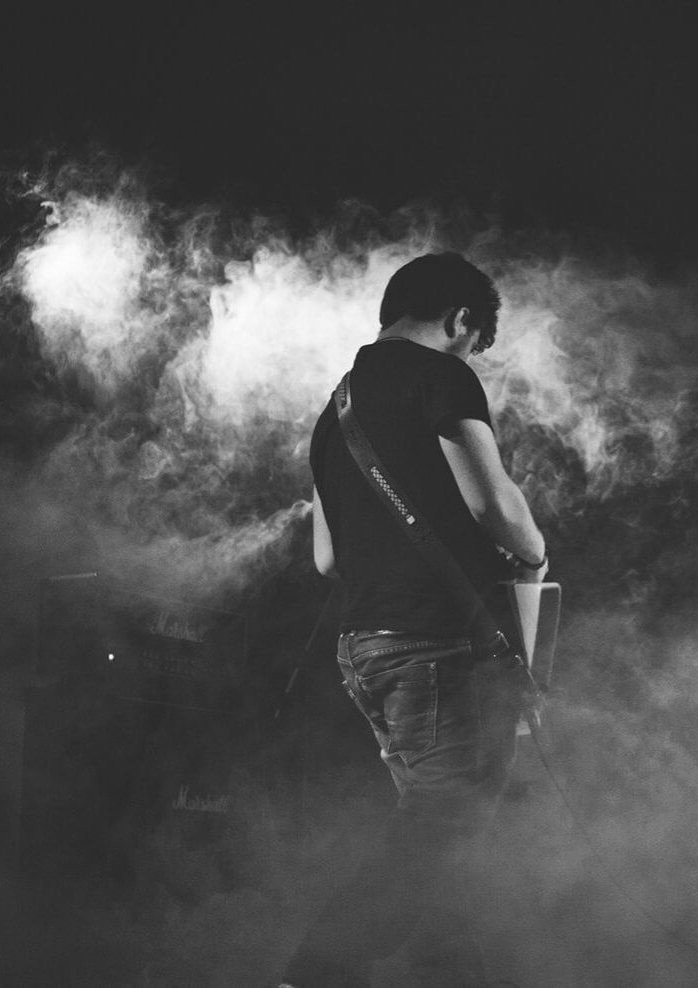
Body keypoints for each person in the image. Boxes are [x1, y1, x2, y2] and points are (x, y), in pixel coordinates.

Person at [282, 252, 549, 987]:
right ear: (461, 319)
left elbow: (329, 561)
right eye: (476, 342)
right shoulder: (441, 374)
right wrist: (535, 550)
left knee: (446, 849)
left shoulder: (332, 412)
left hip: (367, 650)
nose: (473, 357)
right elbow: (494, 504)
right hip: (438, 645)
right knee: (442, 828)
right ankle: (314, 972)